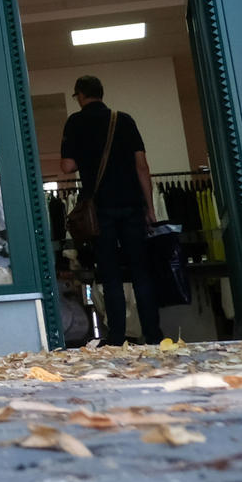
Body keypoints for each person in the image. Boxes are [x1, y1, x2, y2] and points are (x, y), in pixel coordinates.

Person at [59, 75, 158, 345]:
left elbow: (67, 166)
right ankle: (153, 334)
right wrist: (150, 208)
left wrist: (84, 155)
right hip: (131, 205)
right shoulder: (124, 120)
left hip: (99, 209)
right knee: (141, 271)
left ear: (80, 95)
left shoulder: (76, 122)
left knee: (110, 274)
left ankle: (116, 337)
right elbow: (142, 166)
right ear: (101, 93)